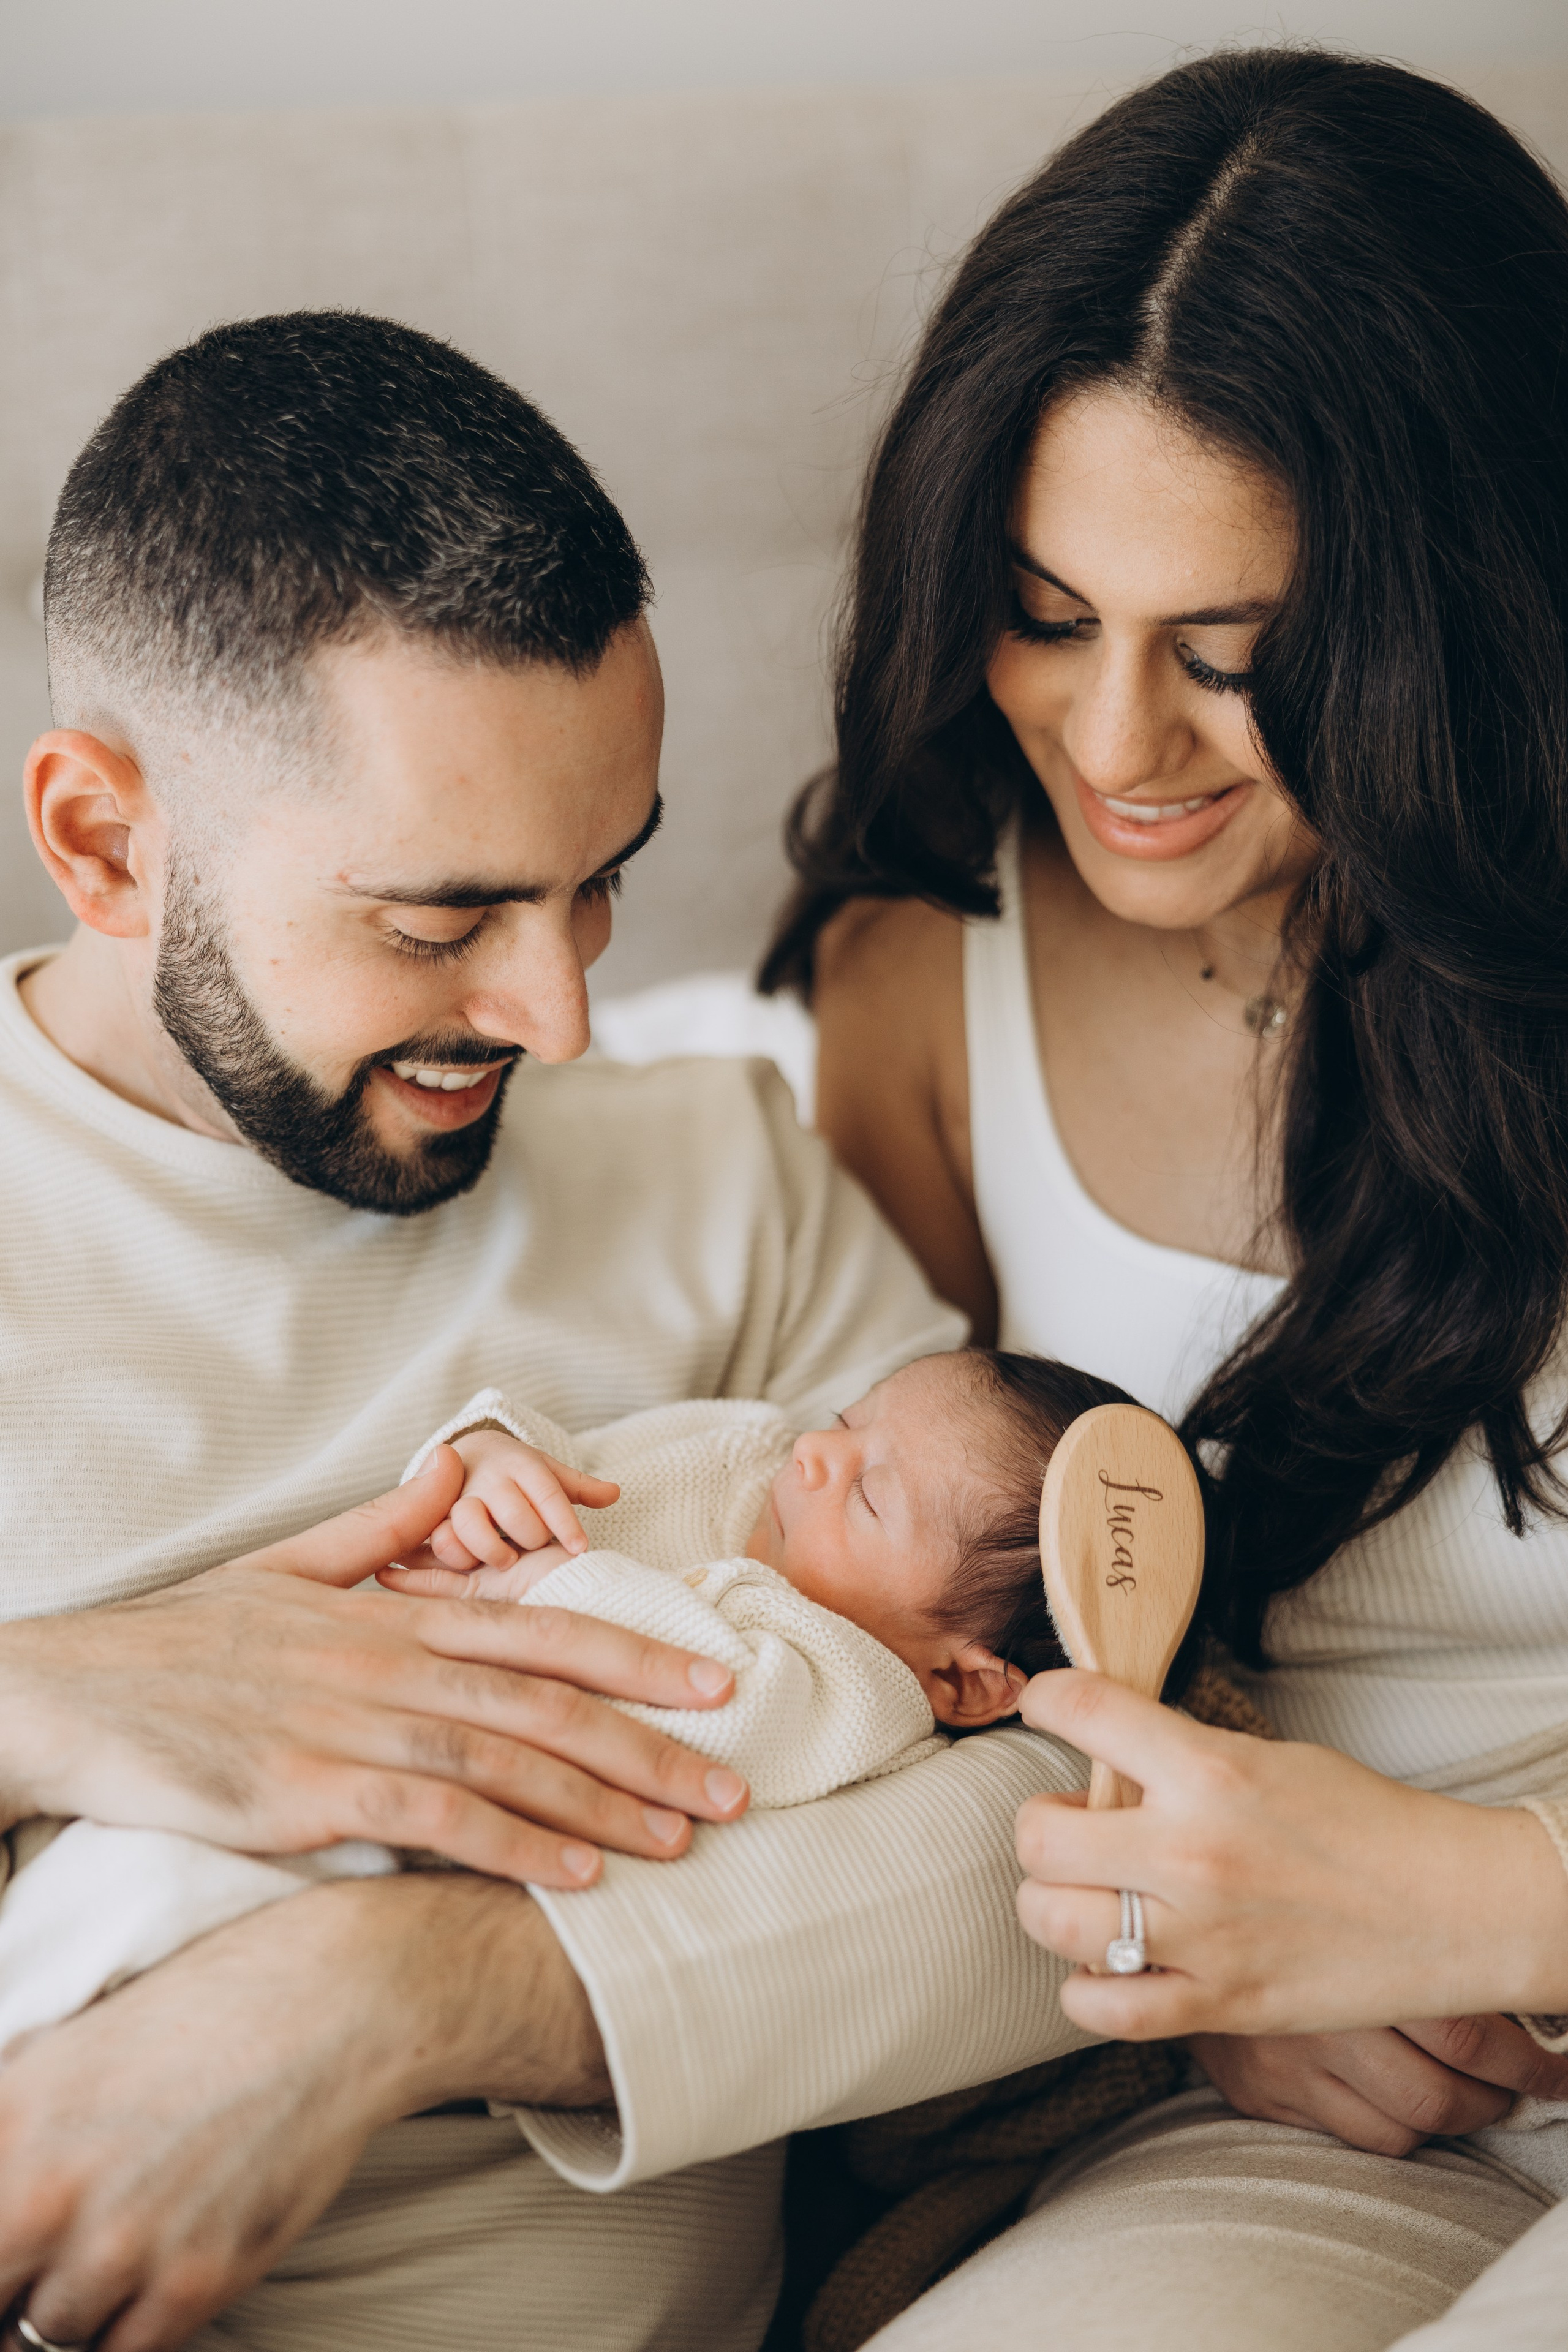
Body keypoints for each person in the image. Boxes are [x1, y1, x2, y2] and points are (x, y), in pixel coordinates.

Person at [0, 313, 1096, 2352]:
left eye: (601, 885)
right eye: (441, 920)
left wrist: (383, 2000)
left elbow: (1079, 1803)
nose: (560, 1018)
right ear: (105, 846)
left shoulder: (715, 1177)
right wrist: (38, 1701)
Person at [764, 45, 1568, 2350]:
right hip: (1281, 2106)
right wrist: (1180, 1974)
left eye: (1236, 659)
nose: (1115, 748)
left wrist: (1468, 1901)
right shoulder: (921, 979)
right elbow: (904, 1654)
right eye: (1045, 615)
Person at [2, 1348, 1126, 2055]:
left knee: (156, 1894)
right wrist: (495, 1457)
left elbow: (727, 1704)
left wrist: (542, 1587)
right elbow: (581, 1457)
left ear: (962, 1680)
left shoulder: (858, 1687)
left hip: (425, 1829)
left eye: (871, 1494)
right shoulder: (747, 1451)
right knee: (121, 1835)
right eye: (852, 1416)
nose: (821, 1454)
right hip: (315, 1702)